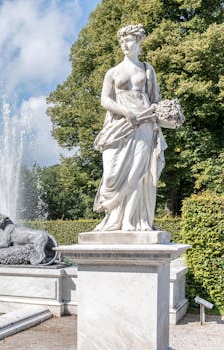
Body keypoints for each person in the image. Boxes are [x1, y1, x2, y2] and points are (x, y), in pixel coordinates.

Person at [93, 24, 167, 231]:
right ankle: (113, 217)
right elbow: (105, 100)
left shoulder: (147, 69)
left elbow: (155, 100)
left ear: (139, 41)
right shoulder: (113, 72)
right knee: (111, 173)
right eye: (122, 41)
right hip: (119, 126)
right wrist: (126, 112)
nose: (125, 44)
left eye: (129, 40)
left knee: (139, 172)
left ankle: (131, 221)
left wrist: (168, 114)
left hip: (144, 124)